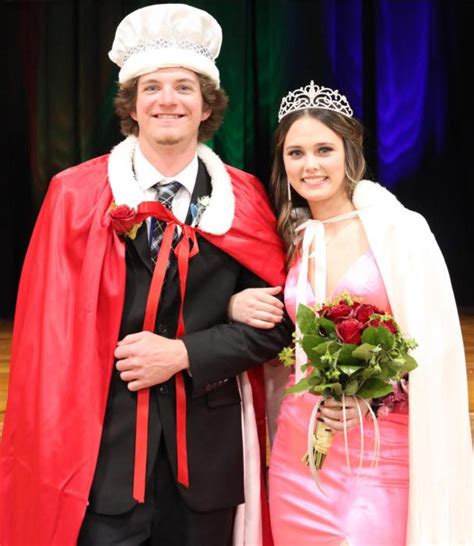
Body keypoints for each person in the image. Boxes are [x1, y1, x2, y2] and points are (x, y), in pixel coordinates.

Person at [0, 4, 293, 545]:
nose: (167, 100)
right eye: (151, 87)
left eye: (184, 86)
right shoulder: (74, 195)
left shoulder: (246, 197)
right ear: (131, 106)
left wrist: (184, 353)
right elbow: (49, 336)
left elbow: (278, 326)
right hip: (100, 463)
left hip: (208, 466)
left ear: (208, 105)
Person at [228, 81, 473, 545]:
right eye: (296, 153)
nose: (310, 165)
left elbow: (436, 351)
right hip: (298, 456)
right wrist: (235, 303)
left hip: (379, 453)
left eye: (324, 149)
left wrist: (377, 396)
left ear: (349, 152)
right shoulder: (289, 239)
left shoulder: (400, 231)